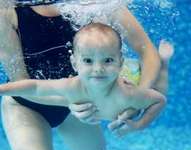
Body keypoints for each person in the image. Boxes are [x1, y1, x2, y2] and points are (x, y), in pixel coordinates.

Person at [0, 1, 163, 150]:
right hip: (27, 106)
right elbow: (21, 84)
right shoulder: (6, 8)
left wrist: (135, 100)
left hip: (81, 102)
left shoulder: (96, 3)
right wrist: (71, 100)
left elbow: (148, 51)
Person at [0, 23, 173, 129]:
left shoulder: (129, 94)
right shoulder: (72, 85)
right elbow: (35, 86)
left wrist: (140, 124)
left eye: (107, 61)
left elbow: (160, 100)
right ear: (75, 63)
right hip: (115, 73)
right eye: (88, 61)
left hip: (129, 75)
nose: (98, 69)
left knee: (159, 85)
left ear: (119, 62)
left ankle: (164, 62)